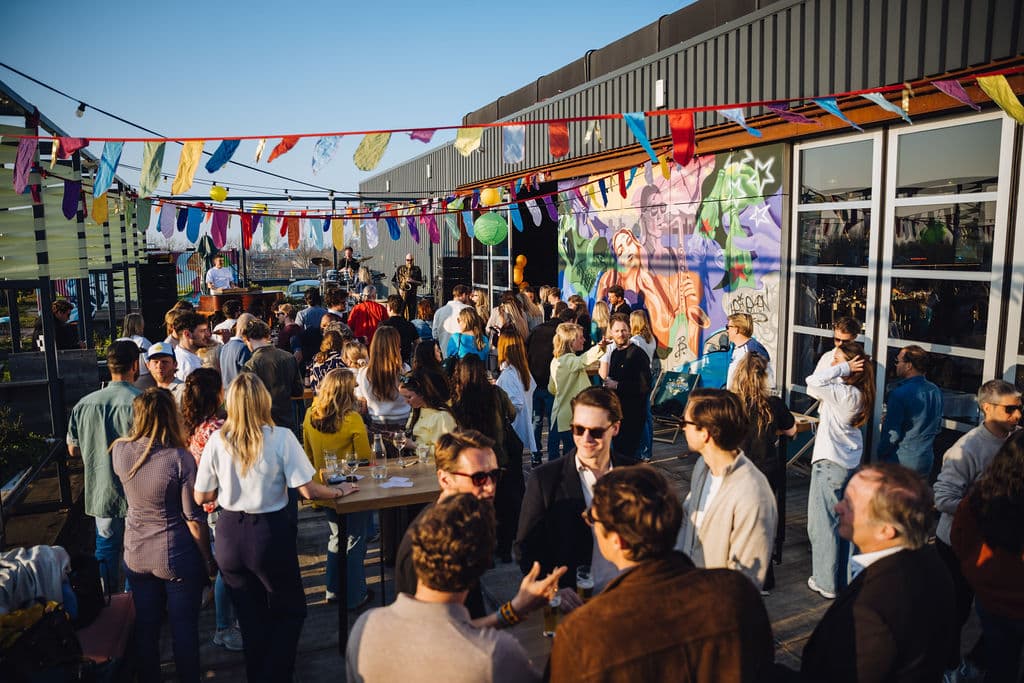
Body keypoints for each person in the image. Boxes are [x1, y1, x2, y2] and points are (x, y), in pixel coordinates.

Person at [194, 373, 357, 683]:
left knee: (250, 617)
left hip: (229, 530)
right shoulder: (280, 437)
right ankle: (277, 674)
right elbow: (308, 489)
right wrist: (338, 491)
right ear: (263, 400)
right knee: (290, 611)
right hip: (267, 531)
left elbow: (201, 495)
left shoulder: (217, 440)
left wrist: (225, 488)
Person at [549, 466, 774, 683]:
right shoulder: (737, 591)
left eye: (592, 518)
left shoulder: (581, 633)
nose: (590, 522)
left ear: (619, 541)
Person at [347, 493, 541, 683]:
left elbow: (439, 632)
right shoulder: (496, 655)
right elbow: (453, 634)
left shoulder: (365, 629)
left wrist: (510, 612)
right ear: (482, 565)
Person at [798, 464, 954, 683]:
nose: (837, 508)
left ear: (886, 530)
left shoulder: (873, 608)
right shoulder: (930, 561)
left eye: (850, 504)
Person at [393, 430, 566, 622]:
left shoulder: (464, 522)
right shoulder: (426, 545)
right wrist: (512, 611)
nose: (491, 486)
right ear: (444, 479)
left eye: (494, 474)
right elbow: (448, 634)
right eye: (479, 478)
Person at [111, 388, 213, 683]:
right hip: (176, 554)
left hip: (136, 552)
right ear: (171, 415)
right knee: (184, 629)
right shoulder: (179, 458)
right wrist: (207, 558)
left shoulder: (119, 450)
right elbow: (193, 518)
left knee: (146, 626)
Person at [933, 378, 1021, 678]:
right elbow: (943, 497)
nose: (1018, 415)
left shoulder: (1016, 440)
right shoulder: (967, 447)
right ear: (987, 408)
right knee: (955, 613)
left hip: (994, 545)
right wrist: (983, 513)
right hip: (957, 544)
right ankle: (949, 668)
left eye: (1020, 408)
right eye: (1010, 409)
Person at [516, 387, 636, 603]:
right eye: (578, 430)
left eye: (596, 432)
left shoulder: (635, 475)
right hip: (574, 602)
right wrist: (553, 588)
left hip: (628, 596)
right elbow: (526, 548)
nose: (585, 438)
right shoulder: (545, 480)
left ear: (615, 428)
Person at [675, 388, 777, 589]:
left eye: (684, 423)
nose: (683, 428)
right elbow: (687, 521)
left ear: (704, 434)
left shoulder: (752, 494)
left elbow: (745, 581)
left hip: (716, 608)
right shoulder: (702, 467)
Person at [67, 341, 141, 593]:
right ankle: (134, 601)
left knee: (106, 546)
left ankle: (107, 599)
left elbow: (73, 450)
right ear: (135, 365)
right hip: (137, 490)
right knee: (136, 547)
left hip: (101, 488)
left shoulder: (84, 404)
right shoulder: (142, 402)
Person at [804, 340, 876, 600]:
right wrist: (842, 367)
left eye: (838, 360)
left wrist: (842, 367)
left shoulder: (843, 393)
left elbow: (812, 381)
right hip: (848, 464)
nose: (833, 364)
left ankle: (826, 582)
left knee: (823, 525)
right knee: (844, 525)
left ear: (851, 368)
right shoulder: (858, 393)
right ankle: (845, 579)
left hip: (829, 465)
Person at [951, 431, 1024, 683]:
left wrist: (979, 576)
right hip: (998, 600)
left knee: (1000, 661)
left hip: (990, 599)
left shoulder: (979, 499)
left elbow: (959, 541)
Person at [302, 369, 374, 608]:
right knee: (355, 540)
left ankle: (333, 589)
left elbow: (308, 452)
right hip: (351, 487)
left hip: (321, 485)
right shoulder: (351, 419)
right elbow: (364, 458)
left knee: (336, 538)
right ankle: (355, 594)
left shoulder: (310, 415)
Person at [181, 368, 241, 652]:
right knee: (228, 570)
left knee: (227, 567)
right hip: (221, 503)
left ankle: (227, 623)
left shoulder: (195, 424)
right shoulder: (217, 428)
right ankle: (224, 627)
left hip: (207, 503)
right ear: (216, 393)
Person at [730, 352, 796, 590]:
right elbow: (791, 430)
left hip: (738, 468)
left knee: (737, 521)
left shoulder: (732, 403)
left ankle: (739, 570)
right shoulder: (774, 404)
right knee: (764, 523)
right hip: (766, 469)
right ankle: (765, 577)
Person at [451, 354, 522, 561]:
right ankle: (504, 549)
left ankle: (486, 552)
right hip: (499, 457)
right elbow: (513, 414)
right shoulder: (496, 393)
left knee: (480, 507)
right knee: (505, 505)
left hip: (473, 461)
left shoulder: (457, 401)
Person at [877, 345, 943, 478]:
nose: (895, 365)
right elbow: (937, 426)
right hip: (925, 459)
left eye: (898, 361)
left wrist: (880, 454)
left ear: (909, 366)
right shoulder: (935, 390)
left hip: (900, 461)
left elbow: (893, 435)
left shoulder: (899, 394)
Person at [549, 322, 610, 460]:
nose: (584, 340)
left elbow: (551, 388)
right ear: (571, 341)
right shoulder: (568, 360)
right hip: (570, 415)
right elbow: (582, 361)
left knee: (562, 454)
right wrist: (600, 347)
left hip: (560, 414)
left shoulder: (555, 360)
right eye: (581, 337)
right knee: (571, 456)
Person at [598, 315, 651, 460]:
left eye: (624, 330)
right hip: (617, 414)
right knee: (618, 456)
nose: (620, 334)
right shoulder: (615, 353)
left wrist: (617, 385)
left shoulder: (638, 355)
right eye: (617, 331)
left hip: (632, 416)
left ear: (629, 331)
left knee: (628, 458)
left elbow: (645, 385)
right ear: (611, 333)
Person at [525, 304, 572, 465]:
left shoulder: (537, 330)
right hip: (552, 383)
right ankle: (553, 458)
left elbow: (526, 352)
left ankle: (535, 455)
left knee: (536, 421)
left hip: (534, 382)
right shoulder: (561, 335)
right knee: (554, 423)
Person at [241, 319, 304, 431]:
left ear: (247, 339)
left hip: (263, 424)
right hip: (287, 422)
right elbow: (298, 390)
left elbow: (247, 400)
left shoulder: (250, 365)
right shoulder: (289, 357)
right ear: (268, 336)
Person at [355, 326, 411, 431]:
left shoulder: (363, 373)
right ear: (396, 347)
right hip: (403, 425)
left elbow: (361, 405)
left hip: (377, 425)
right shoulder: (404, 369)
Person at [496, 327, 537, 460]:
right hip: (518, 432)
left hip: (512, 433)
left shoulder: (510, 374)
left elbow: (516, 403)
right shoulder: (521, 371)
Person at [400, 369, 457, 448]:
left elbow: (446, 450)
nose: (406, 401)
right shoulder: (418, 410)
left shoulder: (442, 416)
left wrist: (414, 446)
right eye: (403, 397)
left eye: (409, 397)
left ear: (422, 393)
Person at [725, 312, 772, 390]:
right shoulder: (737, 348)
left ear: (736, 329)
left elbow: (766, 380)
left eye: (728, 327)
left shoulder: (754, 349)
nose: (727, 331)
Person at [432, 284, 473, 358]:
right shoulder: (468, 310)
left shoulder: (439, 312)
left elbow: (435, 334)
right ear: (464, 295)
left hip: (445, 355)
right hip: (465, 354)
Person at [378, 294, 419, 363]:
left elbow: (378, 343)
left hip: (387, 361)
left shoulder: (383, 325)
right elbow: (418, 343)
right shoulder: (409, 325)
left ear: (389, 308)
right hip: (405, 362)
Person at [220, 312, 254, 391]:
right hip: (240, 396)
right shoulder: (244, 348)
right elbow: (249, 377)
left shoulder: (224, 347)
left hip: (228, 395)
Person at [173, 312, 211, 382]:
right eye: (202, 331)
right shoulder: (191, 367)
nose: (208, 334)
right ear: (187, 334)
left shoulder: (177, 355)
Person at [410, 338, 450, 403]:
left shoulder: (416, 373)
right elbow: (444, 396)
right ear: (430, 354)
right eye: (437, 350)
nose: (440, 352)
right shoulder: (435, 375)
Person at [309, 329, 347, 394]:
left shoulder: (316, 358)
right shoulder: (342, 359)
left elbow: (309, 381)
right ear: (340, 343)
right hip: (336, 399)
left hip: (319, 398)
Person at [116, 312, 152, 377]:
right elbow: (149, 365)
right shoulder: (142, 341)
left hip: (124, 377)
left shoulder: (119, 342)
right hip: (143, 378)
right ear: (140, 325)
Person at [391, 252, 423, 318]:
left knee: (412, 314)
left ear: (413, 260)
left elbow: (420, 282)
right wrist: (399, 288)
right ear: (405, 260)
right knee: (400, 314)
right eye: (408, 260)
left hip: (412, 295)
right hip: (401, 295)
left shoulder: (417, 269)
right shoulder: (400, 268)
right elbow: (393, 281)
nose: (409, 262)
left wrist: (412, 280)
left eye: (411, 260)